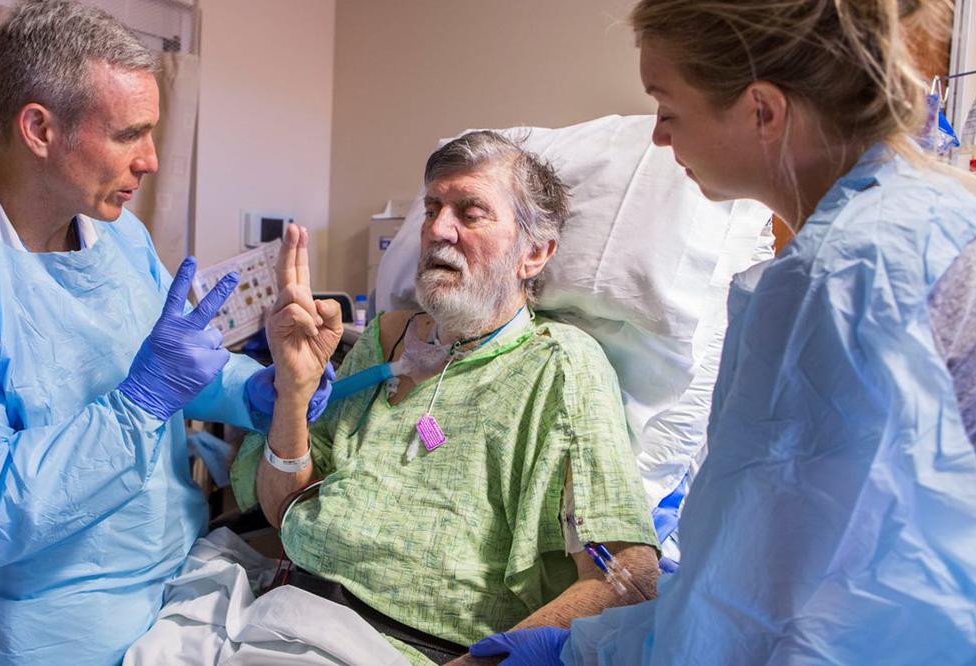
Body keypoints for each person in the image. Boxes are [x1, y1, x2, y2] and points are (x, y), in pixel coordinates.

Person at [473, 1, 976, 664]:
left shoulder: (832, 284)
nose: (657, 138)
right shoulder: (926, 218)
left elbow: (757, 616)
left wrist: (578, 651)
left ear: (763, 112)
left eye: (667, 107)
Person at [0, 2, 326, 664]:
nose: (152, 161)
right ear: (40, 128)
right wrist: (135, 408)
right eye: (129, 134)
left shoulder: (114, 234)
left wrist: (260, 390)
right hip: (47, 633)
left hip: (168, 593)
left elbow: (175, 368)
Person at [230, 131, 660, 665]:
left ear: (536, 253)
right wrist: (293, 394)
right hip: (279, 614)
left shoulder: (560, 364)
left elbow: (628, 573)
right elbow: (283, 509)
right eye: (432, 207)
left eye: (470, 211)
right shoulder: (386, 336)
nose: (436, 229)